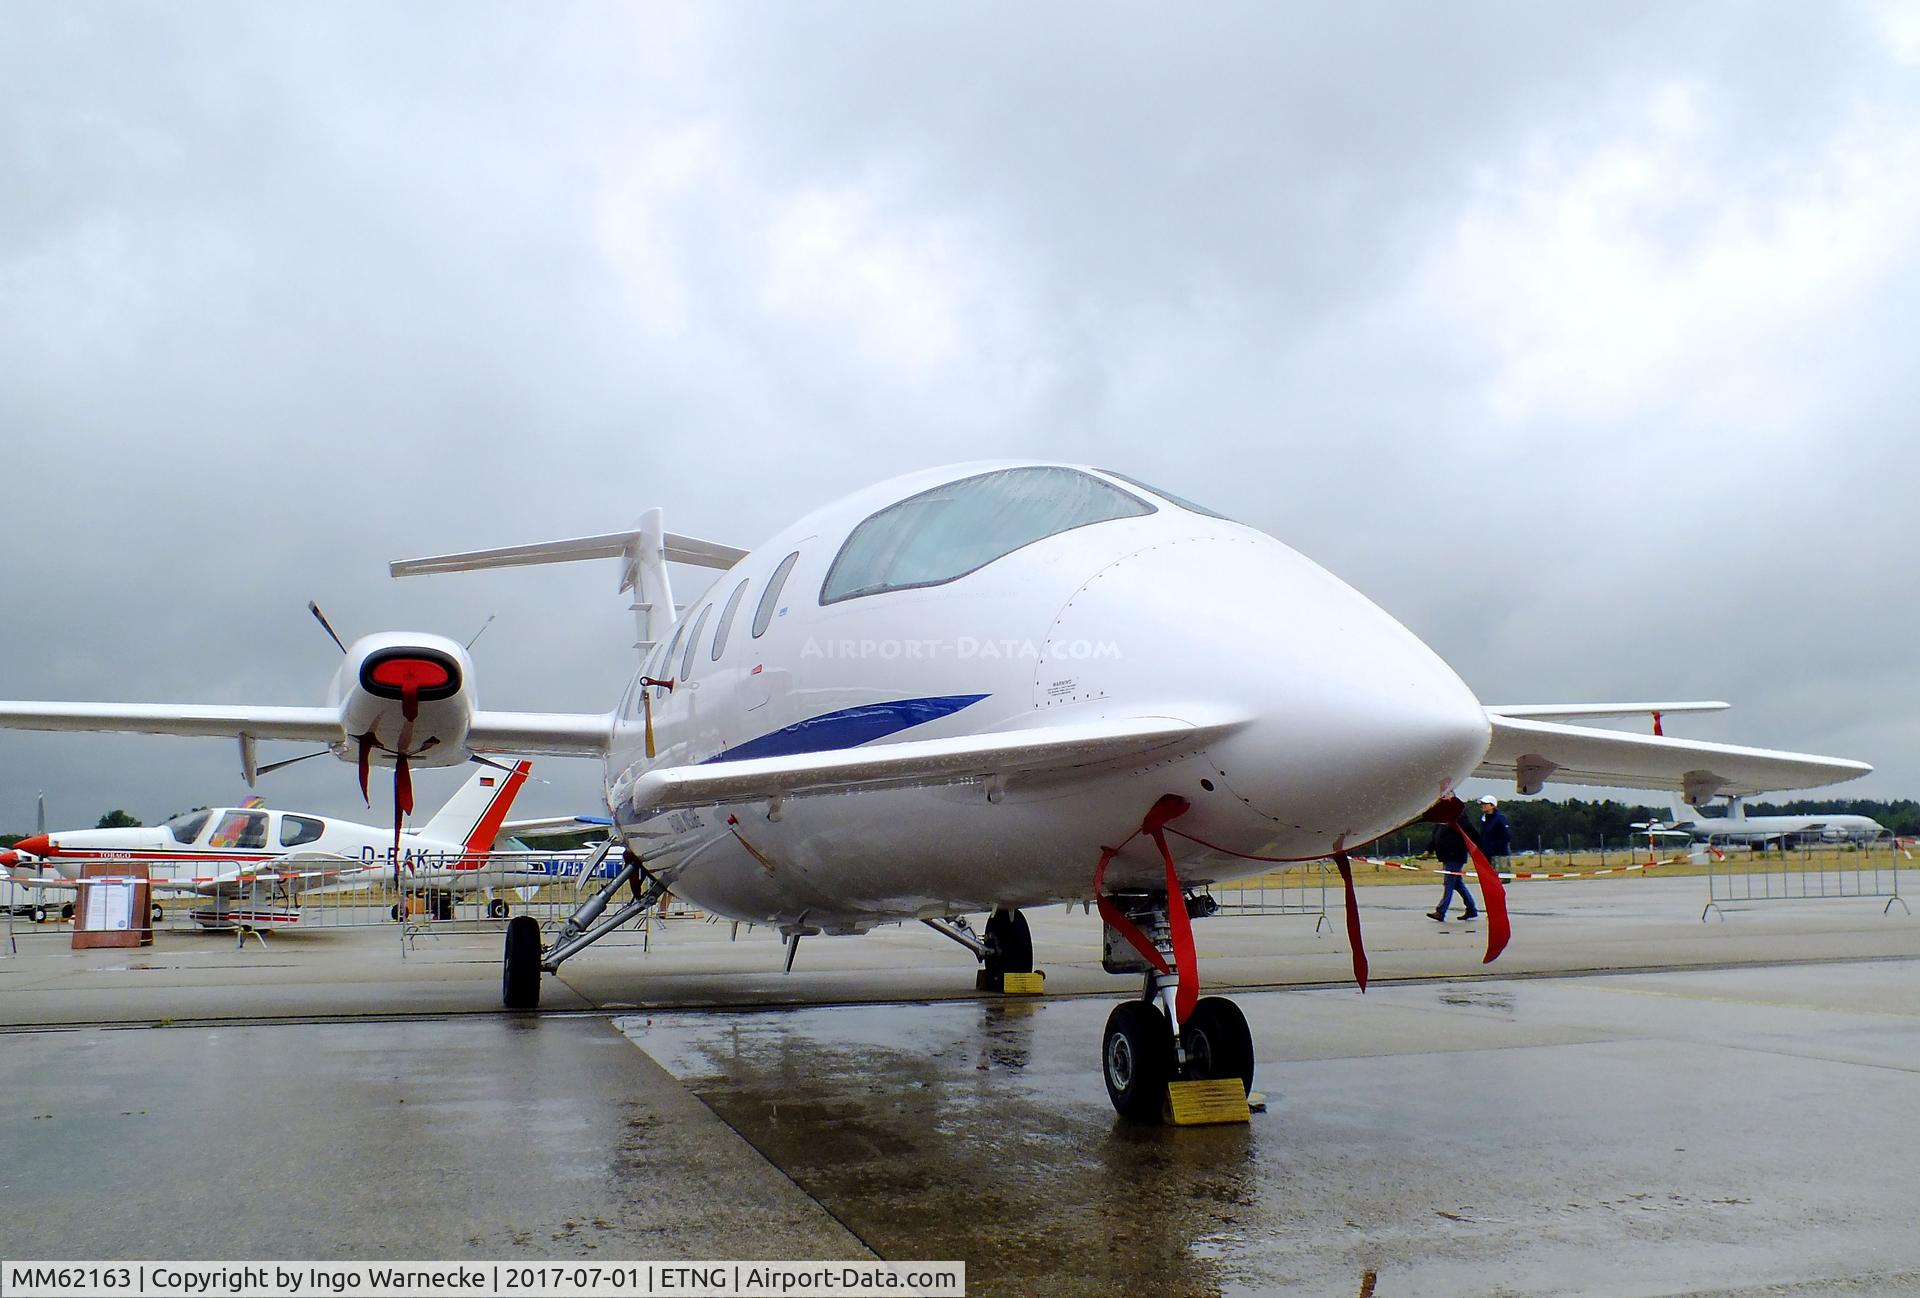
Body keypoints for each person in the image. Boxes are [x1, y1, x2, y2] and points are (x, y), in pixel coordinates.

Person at [1427, 818, 1480, 921]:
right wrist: (1429, 849)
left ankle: (1440, 912)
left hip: (1455, 856)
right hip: (1446, 856)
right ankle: (1471, 909)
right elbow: (1436, 836)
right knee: (1457, 884)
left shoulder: (1459, 818)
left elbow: (1473, 834)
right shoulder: (1441, 819)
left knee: (1449, 883)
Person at [1477, 796, 1512, 871]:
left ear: (1492, 806)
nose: (1483, 805)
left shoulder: (1500, 818)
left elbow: (1506, 837)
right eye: (1482, 803)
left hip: (1499, 855)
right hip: (1486, 855)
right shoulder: (1483, 819)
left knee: (1500, 879)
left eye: (1485, 803)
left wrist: (1494, 848)